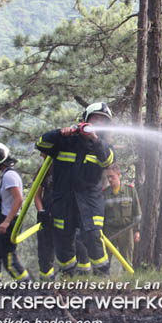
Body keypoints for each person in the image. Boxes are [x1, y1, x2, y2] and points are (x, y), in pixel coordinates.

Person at [35, 102, 115, 276]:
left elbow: (108, 160)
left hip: (90, 202)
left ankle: (103, 278)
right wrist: (61, 133)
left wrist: (93, 138)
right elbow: (41, 143)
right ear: (85, 119)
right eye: (96, 118)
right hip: (63, 201)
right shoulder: (65, 141)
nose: (99, 123)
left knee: (92, 237)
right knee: (63, 240)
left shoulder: (103, 146)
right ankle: (68, 276)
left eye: (103, 120)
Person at [0, 142, 30, 282]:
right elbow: (10, 200)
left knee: (9, 259)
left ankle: (27, 287)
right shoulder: (7, 174)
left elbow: (18, 200)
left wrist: (6, 222)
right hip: (1, 217)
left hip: (8, 221)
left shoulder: (10, 176)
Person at [102, 163, 141, 268]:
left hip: (126, 231)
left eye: (112, 176)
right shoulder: (104, 194)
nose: (110, 179)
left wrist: (137, 231)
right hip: (109, 232)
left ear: (119, 175)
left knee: (127, 262)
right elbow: (101, 216)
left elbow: (137, 214)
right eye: (108, 177)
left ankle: (128, 283)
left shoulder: (130, 191)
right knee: (104, 262)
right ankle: (104, 283)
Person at [34, 153, 55, 281]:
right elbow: (36, 195)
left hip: (64, 216)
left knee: (70, 251)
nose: (41, 154)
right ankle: (46, 285)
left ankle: (71, 284)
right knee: (44, 254)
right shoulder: (42, 170)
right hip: (46, 216)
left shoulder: (65, 168)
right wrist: (42, 212)